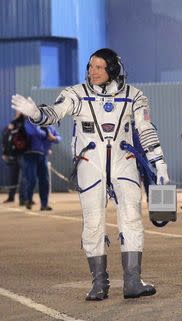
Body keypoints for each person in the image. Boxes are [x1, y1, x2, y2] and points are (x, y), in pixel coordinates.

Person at [11, 48, 170, 300]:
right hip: (90, 164)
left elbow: (146, 129)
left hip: (124, 162)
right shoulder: (76, 94)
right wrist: (36, 114)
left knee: (131, 219)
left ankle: (132, 281)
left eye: (99, 67)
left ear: (113, 70)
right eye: (90, 66)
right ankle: (98, 283)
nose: (92, 72)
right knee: (93, 223)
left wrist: (159, 164)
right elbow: (56, 112)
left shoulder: (135, 96)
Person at [23, 119, 60, 210]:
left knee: (44, 181)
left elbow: (58, 138)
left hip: (43, 155)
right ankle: (28, 199)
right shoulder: (29, 123)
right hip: (30, 155)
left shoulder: (49, 126)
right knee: (31, 179)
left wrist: (54, 138)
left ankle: (44, 204)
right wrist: (48, 135)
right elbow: (35, 133)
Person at [1, 112, 27, 204]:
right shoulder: (12, 124)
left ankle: (23, 198)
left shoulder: (27, 123)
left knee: (24, 177)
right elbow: (6, 139)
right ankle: (12, 197)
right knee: (13, 177)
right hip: (14, 155)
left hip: (23, 154)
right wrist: (5, 153)